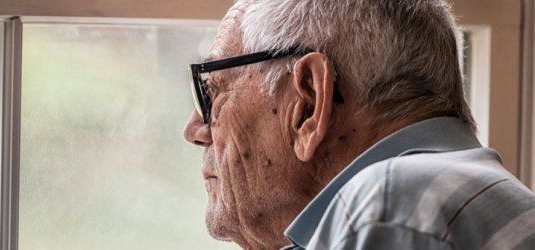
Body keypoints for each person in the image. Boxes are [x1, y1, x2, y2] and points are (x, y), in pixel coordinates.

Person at [182, 0, 535, 249]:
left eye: (214, 91)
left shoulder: (393, 206)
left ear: (308, 103)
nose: (195, 129)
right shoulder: (451, 197)